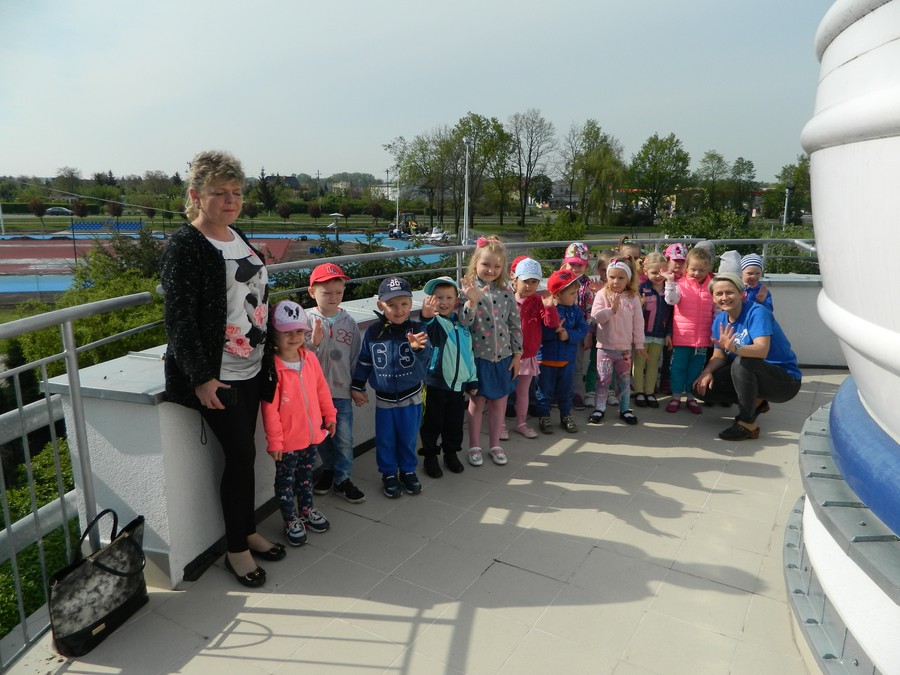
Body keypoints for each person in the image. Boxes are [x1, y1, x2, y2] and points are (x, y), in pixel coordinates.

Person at [160, 150, 280, 588]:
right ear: (196, 196)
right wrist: (201, 377)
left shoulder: (236, 235)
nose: (231, 201)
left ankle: (247, 531)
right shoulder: (186, 246)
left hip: (252, 366)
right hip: (219, 374)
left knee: (246, 455)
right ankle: (236, 549)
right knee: (241, 456)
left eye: (237, 192)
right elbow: (180, 319)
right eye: (220, 193)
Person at [261, 301, 336, 547]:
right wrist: (275, 441)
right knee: (285, 482)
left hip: (312, 435)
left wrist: (330, 416)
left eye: (299, 331)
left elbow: (322, 390)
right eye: (287, 332)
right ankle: (290, 519)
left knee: (305, 475)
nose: (294, 337)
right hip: (287, 442)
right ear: (274, 334)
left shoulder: (310, 359)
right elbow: (269, 409)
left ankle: (306, 510)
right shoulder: (272, 368)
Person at [693, 272, 802, 440]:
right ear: (713, 298)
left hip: (784, 381)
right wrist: (706, 372)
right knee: (700, 389)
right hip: (751, 372)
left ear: (741, 293)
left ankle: (747, 423)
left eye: (729, 292)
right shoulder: (720, 320)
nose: (724, 297)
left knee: (742, 362)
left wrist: (734, 347)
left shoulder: (757, 312)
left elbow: (761, 350)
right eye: (719, 294)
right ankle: (757, 401)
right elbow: (719, 355)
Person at [350, 277, 431, 498]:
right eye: (391, 305)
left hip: (411, 397)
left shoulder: (418, 328)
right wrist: (357, 386)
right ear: (380, 305)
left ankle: (408, 471)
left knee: (408, 437)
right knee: (385, 439)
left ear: (411, 303)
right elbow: (365, 362)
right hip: (384, 399)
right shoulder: (373, 332)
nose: (399, 310)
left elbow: (428, 356)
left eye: (404, 304)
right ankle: (388, 474)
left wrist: (417, 348)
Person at [458, 236, 523, 467]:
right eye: (486, 264)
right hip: (479, 359)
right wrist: (471, 302)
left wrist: (517, 355)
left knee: (499, 404)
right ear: (475, 262)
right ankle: (474, 446)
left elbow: (515, 325)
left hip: (504, 359)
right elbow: (463, 323)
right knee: (477, 404)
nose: (491, 270)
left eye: (497, 266)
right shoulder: (468, 291)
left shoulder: (507, 292)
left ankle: (495, 445)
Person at [306, 263, 366, 504]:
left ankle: (343, 479)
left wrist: (357, 387)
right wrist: (313, 343)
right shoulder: (306, 320)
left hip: (341, 392)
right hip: (314, 394)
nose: (333, 297)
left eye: (338, 292)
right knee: (321, 437)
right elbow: (300, 358)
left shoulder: (349, 322)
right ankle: (328, 469)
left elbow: (356, 357)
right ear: (312, 293)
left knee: (343, 439)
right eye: (327, 292)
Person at [418, 276, 478, 477]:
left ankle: (451, 453)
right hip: (435, 384)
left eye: (448, 297)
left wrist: (472, 379)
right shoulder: (434, 322)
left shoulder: (462, 325)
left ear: (456, 300)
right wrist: (426, 315)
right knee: (431, 423)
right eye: (438, 297)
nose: (443, 302)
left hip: (458, 386)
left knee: (454, 424)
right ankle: (430, 456)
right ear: (430, 300)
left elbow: (469, 355)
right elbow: (426, 322)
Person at [590, 257, 647, 425]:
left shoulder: (633, 297)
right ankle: (599, 408)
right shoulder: (602, 294)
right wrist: (611, 310)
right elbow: (595, 317)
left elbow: (638, 323)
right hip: (605, 348)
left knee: (624, 381)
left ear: (628, 279)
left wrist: (639, 344)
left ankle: (625, 409)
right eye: (612, 277)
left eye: (621, 277)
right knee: (603, 380)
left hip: (624, 350)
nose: (616, 281)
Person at [663, 246, 716, 414]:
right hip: (682, 337)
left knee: (696, 370)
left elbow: (716, 311)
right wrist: (670, 283)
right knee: (678, 368)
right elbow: (671, 300)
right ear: (686, 267)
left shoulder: (712, 287)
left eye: (701, 270)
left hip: (702, 339)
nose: (697, 273)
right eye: (693, 269)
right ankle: (676, 396)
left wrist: (714, 333)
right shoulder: (680, 284)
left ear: (709, 268)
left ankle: (691, 397)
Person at [535, 270, 589, 433]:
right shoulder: (546, 308)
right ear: (557, 294)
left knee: (566, 392)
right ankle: (544, 416)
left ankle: (566, 415)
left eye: (576, 293)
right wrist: (554, 331)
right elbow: (538, 333)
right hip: (546, 360)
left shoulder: (575, 310)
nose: (575, 297)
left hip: (567, 360)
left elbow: (583, 329)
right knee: (544, 391)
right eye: (572, 293)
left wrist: (568, 335)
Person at [511, 258, 559, 438]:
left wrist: (549, 307)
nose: (529, 286)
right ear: (515, 279)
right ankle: (500, 424)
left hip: (528, 354)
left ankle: (521, 423)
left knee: (523, 391)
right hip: (507, 354)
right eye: (525, 281)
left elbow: (551, 323)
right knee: (504, 392)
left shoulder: (538, 301)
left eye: (534, 282)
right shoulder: (507, 299)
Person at [633, 252, 672, 408]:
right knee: (639, 363)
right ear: (645, 271)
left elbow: (672, 315)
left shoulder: (669, 290)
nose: (658, 276)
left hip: (660, 334)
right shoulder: (642, 289)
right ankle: (639, 391)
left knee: (653, 363)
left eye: (662, 272)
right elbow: (634, 313)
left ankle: (650, 391)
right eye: (654, 272)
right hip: (642, 334)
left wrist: (669, 333)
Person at [560, 243, 594, 411]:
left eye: (579, 265)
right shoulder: (559, 280)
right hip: (559, 328)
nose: (575, 268)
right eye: (572, 264)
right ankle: (557, 393)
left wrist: (588, 333)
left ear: (585, 266)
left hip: (578, 331)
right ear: (565, 263)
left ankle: (576, 393)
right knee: (557, 361)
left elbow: (590, 311)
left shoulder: (587, 285)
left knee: (577, 364)